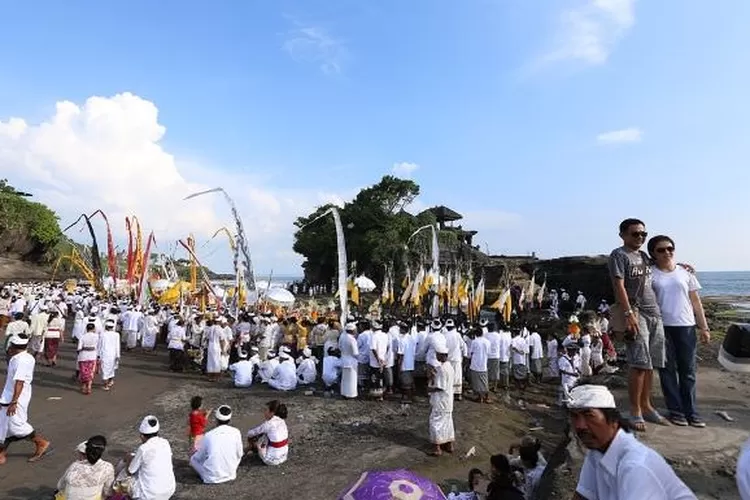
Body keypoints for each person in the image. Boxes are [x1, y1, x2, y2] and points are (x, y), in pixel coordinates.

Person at [569, 385, 696, 500]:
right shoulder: (596, 453)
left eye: (589, 416)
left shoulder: (635, 467)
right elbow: (582, 496)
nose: (580, 426)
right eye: (575, 417)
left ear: (613, 421)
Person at [608, 218, 667, 432]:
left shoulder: (643, 256)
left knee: (651, 364)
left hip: (654, 313)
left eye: (643, 234)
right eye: (635, 234)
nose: (640, 237)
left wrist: (682, 266)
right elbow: (619, 285)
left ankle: (647, 405)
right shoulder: (619, 255)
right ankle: (635, 410)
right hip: (636, 312)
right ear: (623, 235)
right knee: (639, 363)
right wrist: (628, 314)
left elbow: (662, 266)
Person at [648, 235, 710, 428]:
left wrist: (704, 327)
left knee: (688, 371)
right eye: (661, 249)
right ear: (653, 253)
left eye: (670, 248)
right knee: (667, 371)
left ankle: (691, 411)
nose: (666, 252)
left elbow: (696, 302)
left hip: (686, 326)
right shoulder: (650, 274)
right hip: (661, 327)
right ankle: (676, 411)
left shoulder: (685, 272)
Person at [0, 334, 51, 465]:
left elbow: (19, 382)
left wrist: (14, 402)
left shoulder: (20, 361)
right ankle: (1, 453)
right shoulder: (24, 357)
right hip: (9, 396)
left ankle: (41, 442)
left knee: (17, 426)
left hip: (16, 398)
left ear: (13, 347)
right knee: (5, 425)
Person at [124, 416, 176, 500]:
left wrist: (128, 459)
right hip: (169, 490)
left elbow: (130, 471)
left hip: (149, 495)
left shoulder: (143, 448)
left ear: (142, 436)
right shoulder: (165, 443)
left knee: (123, 478)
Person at [190, 405, 244, 484]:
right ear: (229, 419)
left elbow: (199, 457)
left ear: (216, 419)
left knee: (193, 459)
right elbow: (240, 453)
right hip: (231, 474)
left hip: (211, 478)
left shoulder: (209, 435)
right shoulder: (236, 432)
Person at [55, 435, 115, 500]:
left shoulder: (74, 466)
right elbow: (108, 492)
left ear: (83, 454)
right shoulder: (107, 467)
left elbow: (60, 486)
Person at [428, 337, 455, 457]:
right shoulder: (450, 367)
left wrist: (429, 388)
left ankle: (437, 447)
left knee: (435, 422)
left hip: (441, 400)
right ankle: (449, 444)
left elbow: (440, 386)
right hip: (448, 400)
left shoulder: (442, 369)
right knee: (447, 422)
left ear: (441, 355)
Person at [246, 400, 289, 466]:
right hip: (284, 456)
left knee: (258, 436)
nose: (264, 412)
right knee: (269, 435)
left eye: (266, 410)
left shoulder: (268, 424)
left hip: (271, 460)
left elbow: (250, 433)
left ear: (272, 413)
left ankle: (250, 448)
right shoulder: (282, 421)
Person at [395, 320, 417, 403]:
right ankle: (410, 396)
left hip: (404, 363)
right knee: (410, 381)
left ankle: (407, 398)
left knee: (405, 382)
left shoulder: (402, 340)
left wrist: (399, 365)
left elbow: (401, 354)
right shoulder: (411, 338)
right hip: (410, 362)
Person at [469, 327, 491, 404]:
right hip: (483, 363)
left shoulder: (474, 342)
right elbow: (488, 353)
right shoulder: (487, 342)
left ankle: (480, 397)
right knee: (485, 381)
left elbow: (471, 353)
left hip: (475, 364)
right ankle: (486, 397)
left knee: (476, 382)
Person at [369, 321, 390, 401]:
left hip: (375, 361)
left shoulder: (374, 336)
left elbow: (373, 349)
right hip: (383, 359)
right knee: (381, 378)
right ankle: (381, 395)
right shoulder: (385, 335)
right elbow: (388, 347)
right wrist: (384, 356)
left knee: (375, 378)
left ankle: (376, 395)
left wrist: (378, 359)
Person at [98, 318, 121, 391]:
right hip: (113, 354)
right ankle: (110, 381)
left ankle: (106, 385)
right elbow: (118, 345)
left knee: (105, 369)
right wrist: (118, 355)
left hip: (105, 354)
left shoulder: (103, 334)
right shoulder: (116, 334)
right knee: (111, 368)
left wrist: (98, 354)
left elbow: (99, 345)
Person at [77, 323, 99, 395]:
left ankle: (83, 385)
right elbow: (98, 347)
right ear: (93, 329)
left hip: (83, 356)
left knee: (83, 372)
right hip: (92, 356)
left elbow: (79, 348)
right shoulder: (97, 336)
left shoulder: (82, 336)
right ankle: (89, 386)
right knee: (90, 372)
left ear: (86, 329)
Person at [338, 322, 359, 399]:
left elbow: (339, 347)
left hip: (344, 359)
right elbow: (355, 352)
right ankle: (351, 394)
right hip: (351, 360)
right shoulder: (352, 339)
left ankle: (344, 392)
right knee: (352, 378)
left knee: (345, 378)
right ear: (352, 330)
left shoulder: (343, 337)